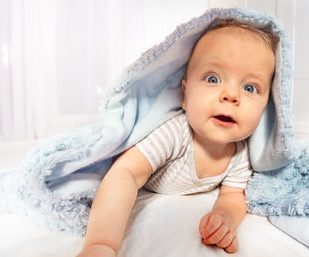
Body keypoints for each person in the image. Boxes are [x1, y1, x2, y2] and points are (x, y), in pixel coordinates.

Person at [77, 19, 278, 256]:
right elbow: (126, 174)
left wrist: (225, 217)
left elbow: (233, 195)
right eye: (213, 79)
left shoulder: (242, 152)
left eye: (250, 88)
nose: (231, 95)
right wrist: (101, 243)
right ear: (185, 94)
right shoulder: (174, 133)